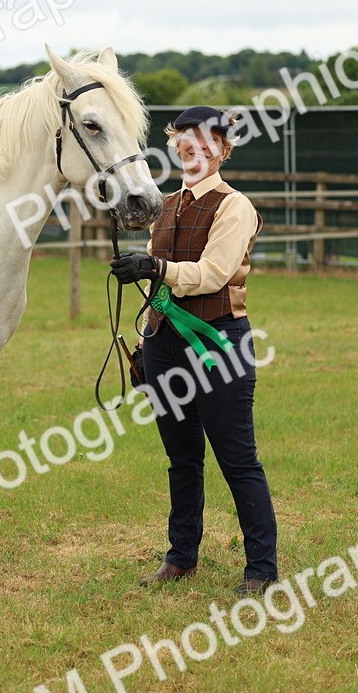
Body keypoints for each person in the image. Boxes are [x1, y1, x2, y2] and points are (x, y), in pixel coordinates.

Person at [110, 106, 278, 596]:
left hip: (217, 342)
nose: (195, 147)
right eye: (186, 139)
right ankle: (181, 557)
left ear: (223, 150)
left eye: (208, 141)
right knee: (181, 459)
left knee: (237, 459)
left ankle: (262, 568)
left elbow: (211, 274)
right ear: (176, 146)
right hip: (163, 345)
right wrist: (146, 338)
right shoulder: (164, 204)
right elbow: (154, 273)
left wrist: (154, 267)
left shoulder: (234, 206)